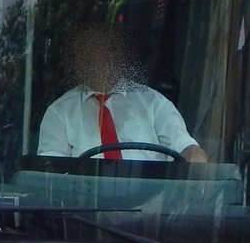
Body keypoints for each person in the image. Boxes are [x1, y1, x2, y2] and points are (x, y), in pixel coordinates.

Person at [37, 23, 206, 162]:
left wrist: (196, 162)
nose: (98, 60)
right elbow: (50, 171)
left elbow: (188, 149)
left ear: (118, 56)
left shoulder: (154, 103)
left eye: (104, 51)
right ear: (76, 62)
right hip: (83, 202)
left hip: (152, 201)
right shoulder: (59, 112)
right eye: (88, 54)